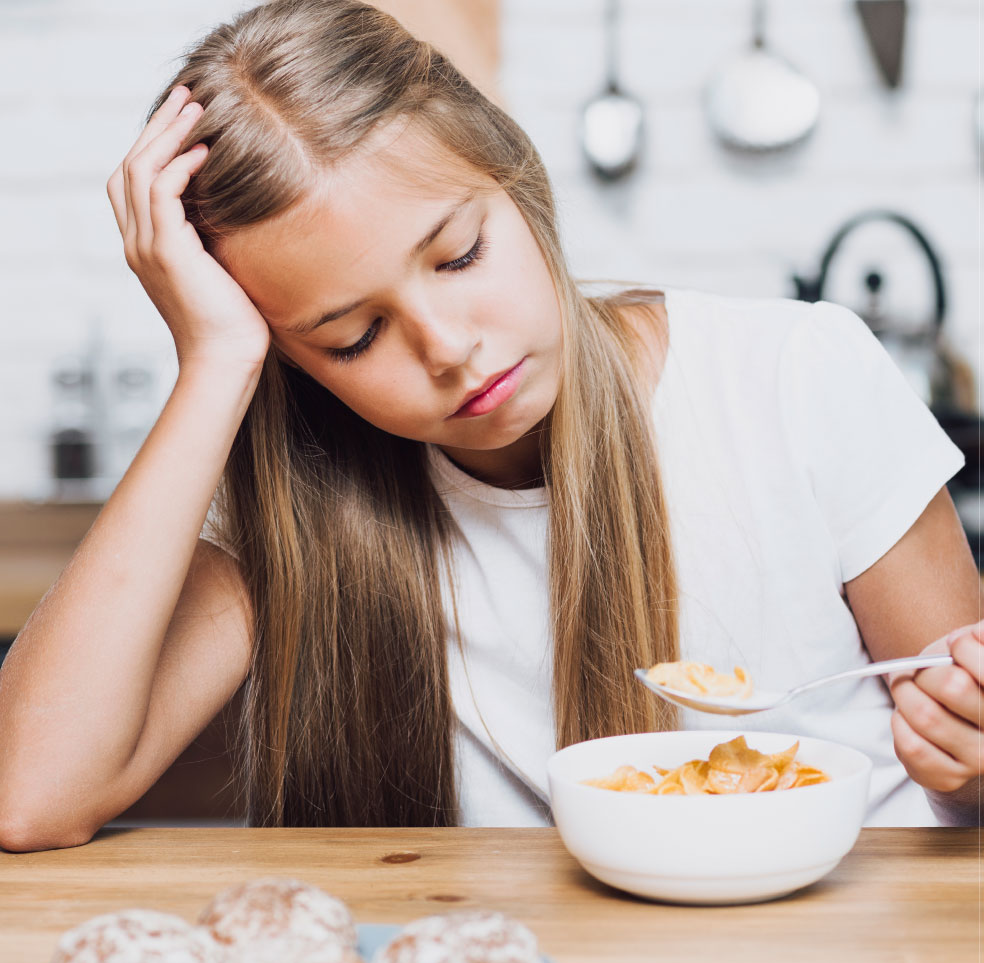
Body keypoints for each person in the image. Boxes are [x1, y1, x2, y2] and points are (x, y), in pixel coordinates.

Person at [0, 0, 980, 852]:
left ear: (517, 178)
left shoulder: (799, 375)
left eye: (460, 254)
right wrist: (214, 366)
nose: (448, 348)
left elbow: (968, 760)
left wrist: (970, 759)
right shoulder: (292, 502)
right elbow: (31, 796)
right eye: (351, 337)